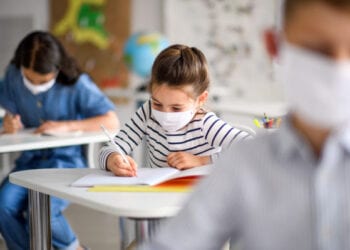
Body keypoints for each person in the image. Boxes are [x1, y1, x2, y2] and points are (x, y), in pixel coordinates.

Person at [139, 0, 350, 249]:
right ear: (275, 46)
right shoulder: (242, 166)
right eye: (317, 50)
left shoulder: (223, 141)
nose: (338, 68)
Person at [0, 31, 119, 250]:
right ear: (21, 68)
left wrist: (67, 126)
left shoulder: (77, 84)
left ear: (57, 69)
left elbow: (111, 121)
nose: (35, 85)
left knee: (44, 211)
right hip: (29, 163)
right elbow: (5, 115)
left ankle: (75, 248)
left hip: (66, 162)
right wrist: (6, 125)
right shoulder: (13, 77)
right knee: (3, 206)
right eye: (29, 79)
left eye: (43, 81)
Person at [99, 44, 251, 176]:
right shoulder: (147, 112)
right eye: (157, 104)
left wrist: (202, 160)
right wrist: (113, 159)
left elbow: (251, 148)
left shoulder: (205, 124)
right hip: (158, 199)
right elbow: (113, 146)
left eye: (176, 108)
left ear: (200, 100)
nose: (165, 114)